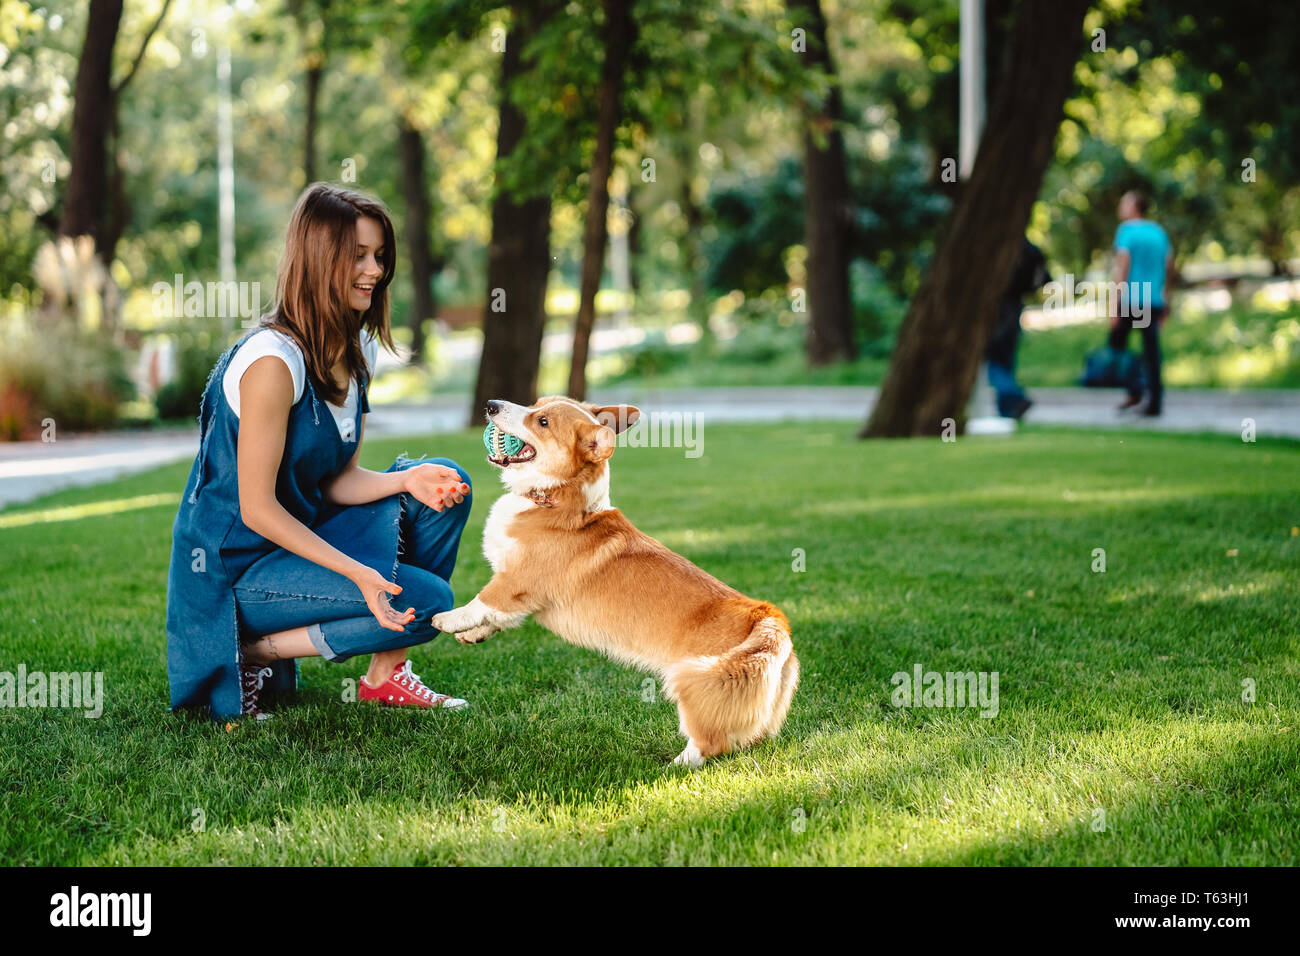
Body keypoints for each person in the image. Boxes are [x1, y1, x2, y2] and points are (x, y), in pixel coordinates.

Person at [166, 183, 473, 721]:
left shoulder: (354, 352)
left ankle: (386, 675)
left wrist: (407, 481)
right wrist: (357, 572)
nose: (375, 270)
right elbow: (257, 509)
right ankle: (252, 650)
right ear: (317, 260)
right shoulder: (271, 363)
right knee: (429, 601)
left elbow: (336, 480)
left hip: (298, 541)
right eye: (358, 256)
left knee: (444, 479)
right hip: (236, 570)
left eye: (379, 256)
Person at [1108, 190, 1175, 416]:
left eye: (1124, 203)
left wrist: (1114, 305)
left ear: (1135, 206)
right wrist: (1167, 301)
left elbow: (1122, 269)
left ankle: (1135, 390)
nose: (1120, 206)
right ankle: (1154, 401)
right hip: (1153, 299)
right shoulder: (1159, 232)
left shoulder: (1126, 232)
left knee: (1117, 345)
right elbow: (1168, 268)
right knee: (1151, 352)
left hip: (1132, 299)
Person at [986, 238, 1050, 419]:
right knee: (1005, 355)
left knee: (993, 357)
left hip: (998, 306)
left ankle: (1012, 398)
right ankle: (1007, 407)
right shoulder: (1028, 247)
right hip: (1015, 305)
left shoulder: (998, 245)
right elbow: (1043, 279)